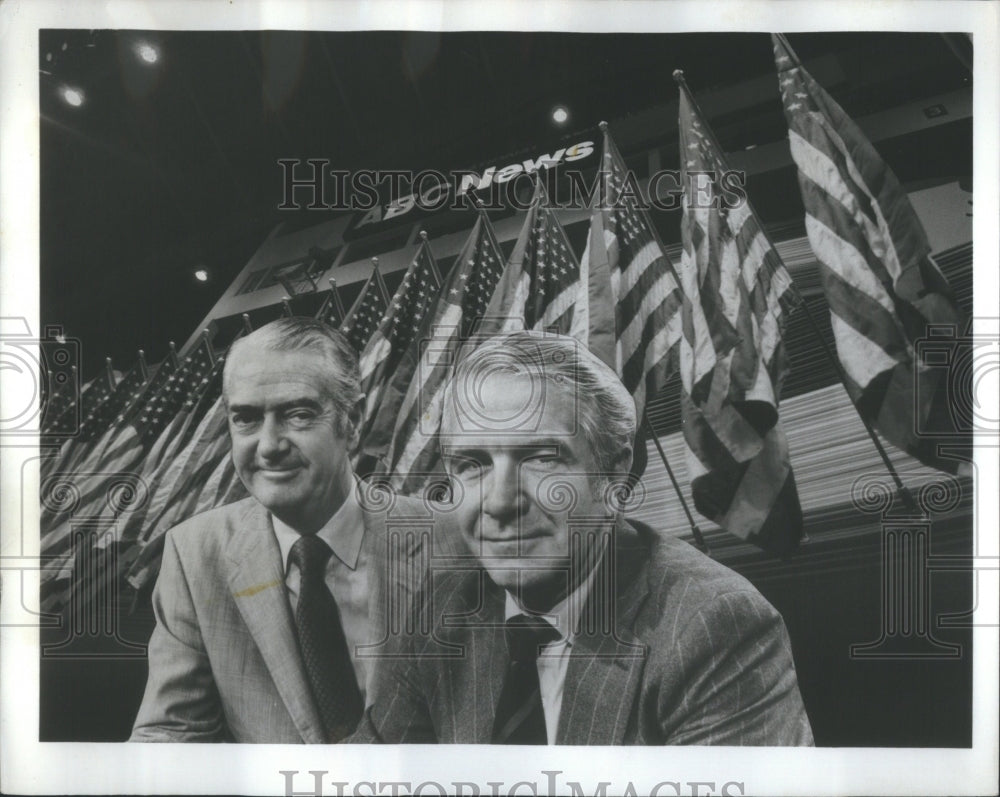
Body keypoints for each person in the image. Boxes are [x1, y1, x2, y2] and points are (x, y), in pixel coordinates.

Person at [351, 331, 814, 745]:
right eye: (471, 465)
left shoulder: (713, 625)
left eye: (542, 457)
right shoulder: (444, 605)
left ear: (614, 471)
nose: (498, 502)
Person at [131, 318, 427, 743]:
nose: (269, 445)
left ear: (353, 421)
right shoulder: (194, 553)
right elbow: (171, 733)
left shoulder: (447, 538)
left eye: (298, 414)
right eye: (247, 419)